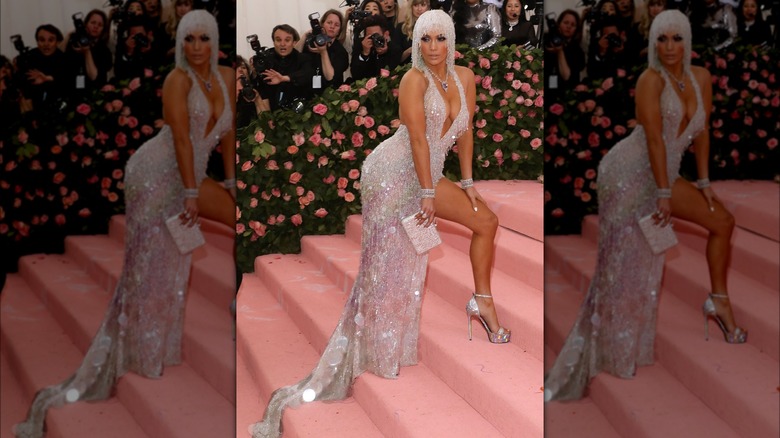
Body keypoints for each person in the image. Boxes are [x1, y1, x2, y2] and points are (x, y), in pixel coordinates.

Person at [250, 10, 510, 437]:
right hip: (393, 175)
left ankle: (481, 301)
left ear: (450, 40)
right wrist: (428, 192)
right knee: (390, 264)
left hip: (430, 174)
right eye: (424, 40)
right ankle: (377, 348)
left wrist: (467, 182)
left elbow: (464, 132)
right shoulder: (414, 80)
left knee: (487, 223)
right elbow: (417, 139)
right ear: (417, 44)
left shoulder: (464, 76)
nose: (432, 48)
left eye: (439, 39)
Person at [13, 11, 236, 437]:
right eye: (188, 40)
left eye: (203, 38)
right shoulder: (177, 80)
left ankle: (161, 345)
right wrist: (192, 193)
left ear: (215, 40)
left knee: (177, 260)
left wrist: (230, 178)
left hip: (192, 172)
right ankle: (140, 350)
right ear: (180, 45)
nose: (196, 47)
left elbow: (229, 133)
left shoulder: (227, 74)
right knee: (149, 262)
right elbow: (183, 140)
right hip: (156, 174)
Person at [543, 10, 746, 402]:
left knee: (723, 222)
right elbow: (653, 139)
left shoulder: (701, 77)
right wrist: (665, 194)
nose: (669, 47)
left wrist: (703, 183)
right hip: (628, 173)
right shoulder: (649, 80)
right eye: (661, 39)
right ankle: (615, 350)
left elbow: (701, 134)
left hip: (665, 175)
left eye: (677, 39)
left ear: (688, 40)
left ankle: (718, 302)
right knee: (623, 262)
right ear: (653, 43)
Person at [15, 24, 72, 115]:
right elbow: (22, 83)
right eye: (42, 40)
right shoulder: (28, 57)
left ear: (57, 42)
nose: (46, 44)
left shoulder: (64, 59)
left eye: (51, 40)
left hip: (59, 107)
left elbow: (66, 81)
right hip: (33, 107)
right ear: (37, 41)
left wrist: (47, 78)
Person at [256, 24, 313, 111]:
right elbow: (263, 90)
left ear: (294, 42)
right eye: (278, 40)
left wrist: (284, 78)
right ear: (273, 42)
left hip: (300, 111)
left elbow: (307, 74)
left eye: (287, 40)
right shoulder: (266, 60)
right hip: (273, 111)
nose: (282, 44)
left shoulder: (303, 58)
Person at [296, 9, 350, 92]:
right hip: (306, 93)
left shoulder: (341, 52)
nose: (332, 27)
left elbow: (331, 78)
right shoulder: (311, 42)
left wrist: (323, 52)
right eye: (329, 23)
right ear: (322, 24)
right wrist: (305, 36)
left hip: (329, 96)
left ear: (339, 31)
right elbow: (293, 58)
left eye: (336, 25)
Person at [63, 9, 114, 89]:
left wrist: (87, 52)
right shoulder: (75, 42)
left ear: (103, 30)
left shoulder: (104, 51)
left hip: (95, 94)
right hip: (71, 91)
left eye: (100, 25)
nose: (96, 26)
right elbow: (57, 58)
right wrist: (69, 35)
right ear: (85, 24)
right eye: (93, 22)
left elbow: (94, 77)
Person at [350, 14, 402, 80]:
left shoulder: (395, 49)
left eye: (376, 35)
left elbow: (389, 77)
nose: (374, 39)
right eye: (370, 36)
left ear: (386, 34)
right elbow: (355, 75)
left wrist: (382, 55)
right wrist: (365, 54)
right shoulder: (360, 45)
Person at [544, 10, 585, 93]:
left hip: (567, 93)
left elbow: (567, 77)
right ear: (558, 24)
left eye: (573, 25)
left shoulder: (578, 51)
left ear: (576, 29)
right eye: (566, 23)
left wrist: (560, 52)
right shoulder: (546, 40)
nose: (569, 26)